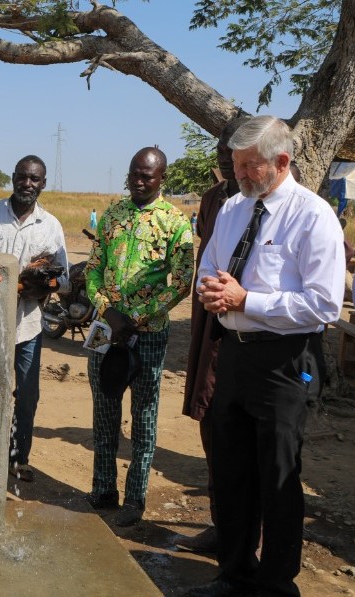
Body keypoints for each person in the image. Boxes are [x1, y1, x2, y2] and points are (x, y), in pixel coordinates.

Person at [190, 116, 345, 597]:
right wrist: (212, 292)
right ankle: (233, 574)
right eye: (235, 165)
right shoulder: (235, 208)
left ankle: (276, 585)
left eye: (247, 166)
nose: (237, 175)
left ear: (282, 162)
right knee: (231, 471)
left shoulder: (313, 216)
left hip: (283, 362)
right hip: (232, 356)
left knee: (278, 476)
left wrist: (247, 302)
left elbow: (324, 305)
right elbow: (209, 271)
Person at [85, 147, 194, 528]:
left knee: (144, 418)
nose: (139, 180)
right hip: (104, 330)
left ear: (162, 179)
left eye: (148, 175)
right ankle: (103, 489)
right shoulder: (112, 214)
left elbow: (181, 281)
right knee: (103, 410)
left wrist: (136, 317)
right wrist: (107, 311)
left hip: (147, 335)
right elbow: (93, 270)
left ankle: (135, 499)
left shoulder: (175, 223)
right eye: (134, 173)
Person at [0, 155, 68, 483]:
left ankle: (18, 458)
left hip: (27, 326)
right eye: (22, 177)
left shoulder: (50, 225)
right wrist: (13, 283)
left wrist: (42, 284)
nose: (27, 184)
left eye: (34, 179)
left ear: (43, 184)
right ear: (13, 178)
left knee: (26, 396)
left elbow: (62, 280)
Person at [175, 115, 249, 553]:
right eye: (223, 156)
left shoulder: (285, 201)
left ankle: (246, 535)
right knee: (213, 424)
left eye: (237, 157)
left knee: (248, 435)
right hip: (211, 331)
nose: (229, 166)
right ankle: (223, 527)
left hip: (252, 333)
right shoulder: (214, 199)